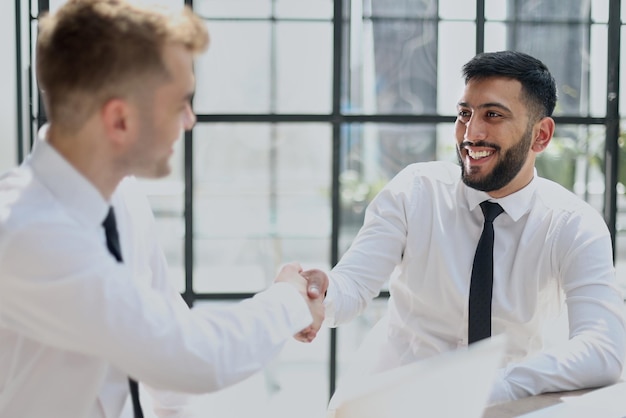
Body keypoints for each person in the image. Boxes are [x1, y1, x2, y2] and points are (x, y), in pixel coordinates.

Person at [0, 1, 327, 417]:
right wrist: (289, 299)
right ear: (119, 120)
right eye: (179, 103)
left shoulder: (125, 197)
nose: (190, 120)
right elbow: (186, 355)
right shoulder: (26, 232)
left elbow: (167, 365)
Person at [310, 50, 626, 405]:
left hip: (506, 405)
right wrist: (321, 295)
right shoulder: (415, 190)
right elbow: (351, 286)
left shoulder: (573, 224)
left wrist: (491, 386)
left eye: (492, 115)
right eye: (464, 114)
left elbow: (604, 348)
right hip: (398, 398)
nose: (470, 133)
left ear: (541, 135)